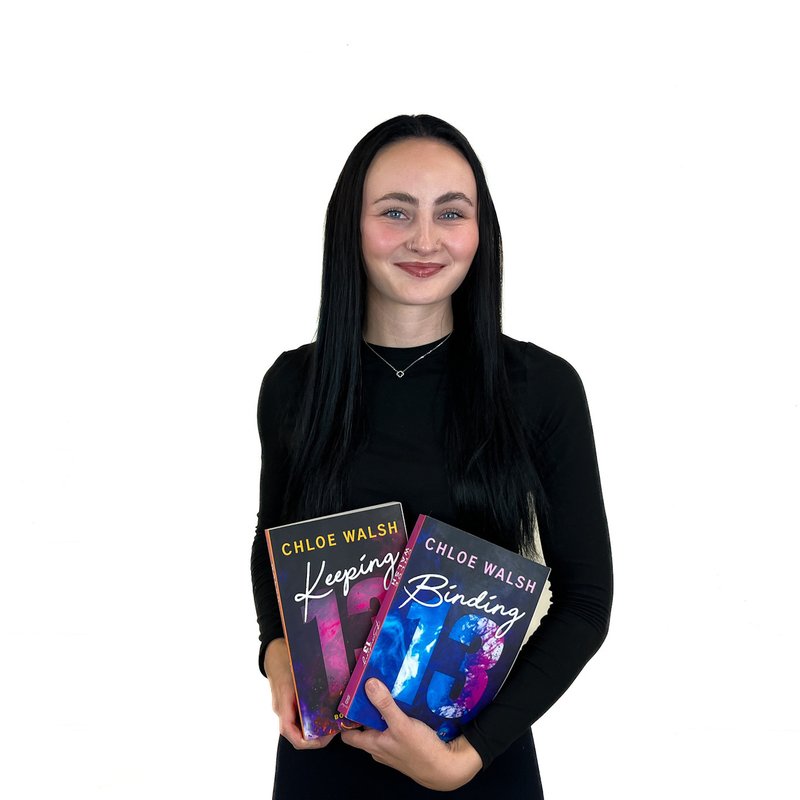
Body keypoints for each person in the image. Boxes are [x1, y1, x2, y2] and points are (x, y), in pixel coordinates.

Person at [250, 114, 613, 799]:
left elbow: (586, 603)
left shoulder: (539, 388)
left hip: (478, 761)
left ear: (481, 232)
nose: (424, 239)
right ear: (349, 228)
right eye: (395, 212)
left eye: (451, 212)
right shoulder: (295, 386)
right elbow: (273, 538)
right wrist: (275, 650)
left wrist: (466, 757)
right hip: (323, 759)